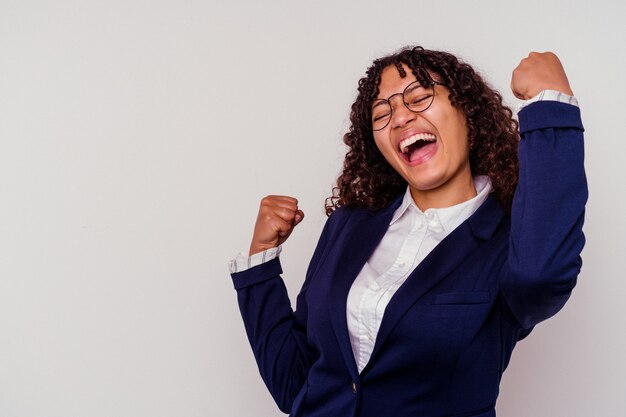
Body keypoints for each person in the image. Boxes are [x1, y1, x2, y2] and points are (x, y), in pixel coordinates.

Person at [228, 46, 586, 417]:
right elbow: (295, 385)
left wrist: (551, 108)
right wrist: (261, 259)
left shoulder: (510, 241)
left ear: (466, 110)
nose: (399, 117)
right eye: (382, 114)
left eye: (419, 97)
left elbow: (541, 276)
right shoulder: (349, 225)